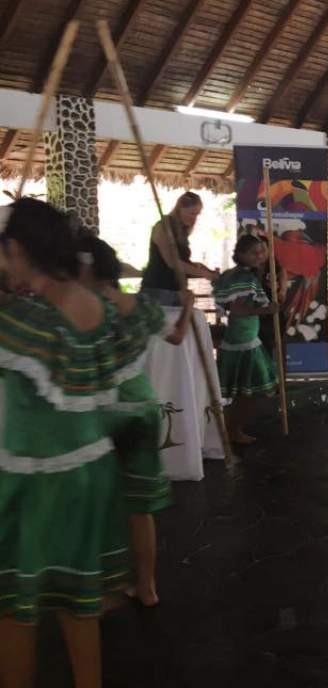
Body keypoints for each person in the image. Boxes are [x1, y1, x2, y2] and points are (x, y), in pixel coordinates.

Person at [0, 199, 156, 688]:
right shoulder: (97, 303)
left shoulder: (26, 319)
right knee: (77, 604)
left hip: (36, 479)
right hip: (91, 471)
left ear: (18, 249)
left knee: (15, 607)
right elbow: (147, 316)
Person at [77, 235, 193, 608]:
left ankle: (102, 590)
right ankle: (147, 586)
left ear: (86, 268)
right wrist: (187, 308)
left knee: (100, 504)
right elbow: (176, 337)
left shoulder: (82, 310)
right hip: (143, 408)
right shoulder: (140, 306)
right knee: (139, 508)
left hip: (102, 412)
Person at [213, 236, 280, 444]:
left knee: (245, 391)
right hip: (243, 342)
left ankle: (231, 429)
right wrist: (266, 310)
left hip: (243, 338)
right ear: (241, 255)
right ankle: (231, 429)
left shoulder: (242, 275)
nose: (260, 256)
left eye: (262, 251)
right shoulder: (242, 278)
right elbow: (237, 310)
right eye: (254, 252)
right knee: (247, 392)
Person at [140, 191, 219, 305]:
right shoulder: (163, 226)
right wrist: (204, 274)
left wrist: (202, 269)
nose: (194, 219)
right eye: (191, 213)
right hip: (158, 289)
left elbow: (182, 262)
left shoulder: (182, 231)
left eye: (197, 214)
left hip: (177, 289)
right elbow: (172, 262)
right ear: (180, 209)